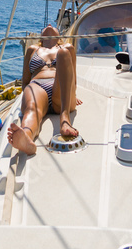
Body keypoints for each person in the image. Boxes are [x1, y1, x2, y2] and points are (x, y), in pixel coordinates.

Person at [7, 24, 80, 156]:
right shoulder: (32, 49)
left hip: (61, 91)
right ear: (41, 36)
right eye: (46, 26)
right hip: (38, 86)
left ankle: (65, 120)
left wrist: (72, 95)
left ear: (59, 36)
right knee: (31, 109)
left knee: (63, 53)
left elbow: (73, 80)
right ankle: (26, 137)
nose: (50, 25)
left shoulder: (67, 48)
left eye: (54, 26)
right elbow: (25, 82)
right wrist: (30, 94)